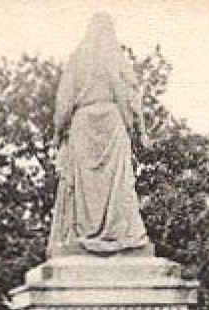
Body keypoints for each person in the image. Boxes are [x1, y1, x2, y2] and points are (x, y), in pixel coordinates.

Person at [48, 12, 151, 258]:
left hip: (84, 123)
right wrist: (138, 130)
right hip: (112, 121)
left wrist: (58, 133)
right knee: (117, 184)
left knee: (87, 188)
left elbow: (64, 102)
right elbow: (130, 95)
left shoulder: (78, 60)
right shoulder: (116, 59)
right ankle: (119, 234)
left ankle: (85, 233)